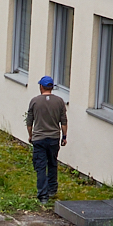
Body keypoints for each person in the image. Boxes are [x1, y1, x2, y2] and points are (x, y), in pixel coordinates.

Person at [25, 75, 68, 203]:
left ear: (41, 86)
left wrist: (31, 135)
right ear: (51, 87)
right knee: (53, 163)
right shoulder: (60, 101)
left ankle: (43, 195)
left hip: (39, 138)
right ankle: (52, 189)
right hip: (54, 138)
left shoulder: (35, 101)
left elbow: (29, 122)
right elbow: (64, 122)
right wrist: (64, 136)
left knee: (41, 166)